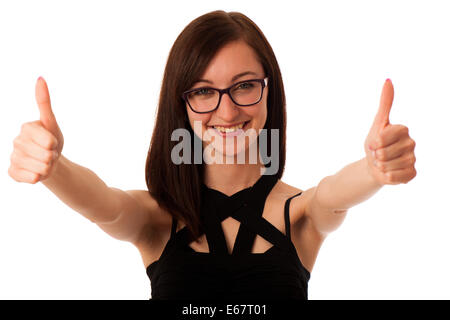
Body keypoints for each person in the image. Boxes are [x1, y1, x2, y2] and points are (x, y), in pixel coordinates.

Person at [8, 10, 417, 300]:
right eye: (203, 91)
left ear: (267, 90)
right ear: (181, 104)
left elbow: (335, 193)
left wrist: (374, 169)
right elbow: (105, 206)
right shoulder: (156, 218)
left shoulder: (301, 213)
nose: (226, 111)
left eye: (243, 86)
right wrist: (53, 168)